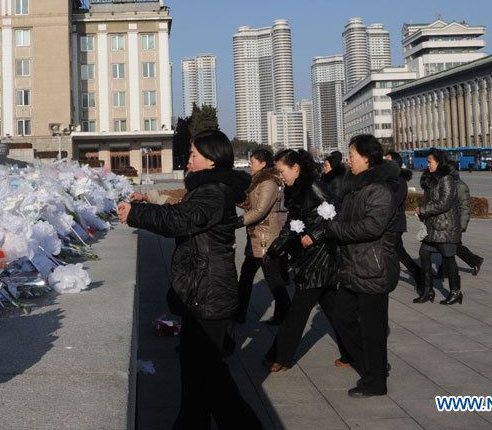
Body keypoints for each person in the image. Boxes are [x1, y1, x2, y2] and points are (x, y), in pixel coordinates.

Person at [117, 130, 262, 429]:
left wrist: (136, 215)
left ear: (211, 161)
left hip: (208, 294)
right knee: (198, 380)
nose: (190, 160)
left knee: (212, 382)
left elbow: (179, 221)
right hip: (204, 290)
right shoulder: (209, 189)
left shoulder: (213, 192)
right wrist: (142, 208)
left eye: (195, 154)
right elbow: (180, 212)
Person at [308, 134, 400, 398]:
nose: (348, 159)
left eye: (352, 155)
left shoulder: (379, 190)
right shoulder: (355, 187)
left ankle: (375, 381)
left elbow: (373, 226)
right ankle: (374, 366)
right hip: (352, 267)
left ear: (368, 158)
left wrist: (335, 228)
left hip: (373, 268)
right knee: (342, 317)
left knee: (373, 329)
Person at [262, 149, 351, 373]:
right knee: (335, 313)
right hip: (309, 257)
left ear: (296, 168)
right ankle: (354, 353)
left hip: (320, 258)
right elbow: (292, 225)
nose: (280, 176)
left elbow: (335, 214)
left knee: (297, 312)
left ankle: (280, 356)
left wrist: (315, 235)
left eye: (282, 171)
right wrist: (275, 250)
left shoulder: (314, 186)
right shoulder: (295, 190)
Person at [235, 148, 289, 325]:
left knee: (272, 277)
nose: (250, 165)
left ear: (263, 163)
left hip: (265, 236)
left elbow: (260, 210)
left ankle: (286, 312)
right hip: (256, 236)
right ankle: (239, 313)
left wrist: (238, 221)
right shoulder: (258, 181)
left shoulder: (268, 183)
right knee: (246, 277)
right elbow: (252, 204)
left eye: (253, 162)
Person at [415, 148, 463, 305]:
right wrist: (422, 213)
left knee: (449, 259)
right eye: (427, 161)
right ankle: (428, 290)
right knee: (424, 253)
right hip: (433, 226)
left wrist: (423, 210)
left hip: (446, 226)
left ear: (439, 162)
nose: (427, 164)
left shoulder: (446, 179)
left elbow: (444, 203)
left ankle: (456, 292)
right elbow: (429, 201)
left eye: (430, 161)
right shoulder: (431, 179)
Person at [384, 151, 424, 294]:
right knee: (398, 252)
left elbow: (394, 201)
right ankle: (419, 275)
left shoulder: (399, 181)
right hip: (389, 222)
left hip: (395, 223)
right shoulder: (390, 179)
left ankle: (418, 276)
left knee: (392, 251)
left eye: (387, 160)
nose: (384, 163)